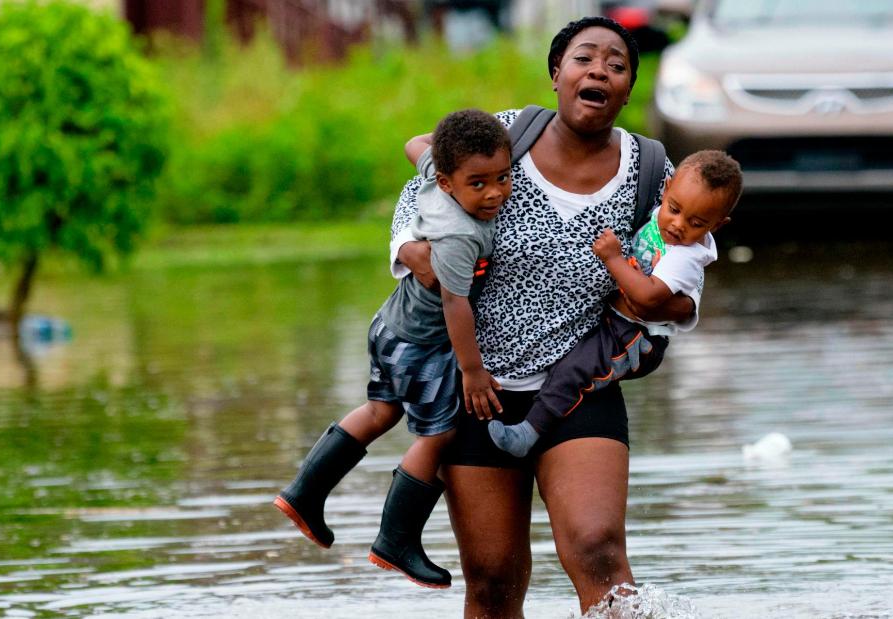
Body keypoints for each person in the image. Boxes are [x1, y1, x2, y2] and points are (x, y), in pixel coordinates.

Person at [391, 16, 695, 615]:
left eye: (616, 64)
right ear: (556, 73)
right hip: (479, 387)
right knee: (493, 578)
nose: (599, 70)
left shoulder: (654, 170)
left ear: (629, 87)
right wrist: (412, 251)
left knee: (598, 549)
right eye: (584, 58)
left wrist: (673, 306)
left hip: (582, 385)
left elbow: (686, 260)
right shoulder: (505, 134)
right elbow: (420, 193)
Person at [273, 109, 511, 589]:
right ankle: (396, 540)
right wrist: (472, 371)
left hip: (389, 328)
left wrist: (442, 151)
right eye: (478, 183)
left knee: (381, 410)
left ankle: (304, 493)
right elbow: (454, 303)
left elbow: (413, 143)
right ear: (447, 184)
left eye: (503, 178)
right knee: (438, 435)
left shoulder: (435, 173)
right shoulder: (460, 234)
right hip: (423, 344)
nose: (494, 193)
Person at [488, 150, 743, 457]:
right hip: (615, 322)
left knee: (575, 370)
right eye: (674, 209)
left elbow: (647, 298)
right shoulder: (657, 217)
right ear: (666, 189)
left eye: (697, 223)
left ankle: (527, 434)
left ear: (717, 225)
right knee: (568, 361)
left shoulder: (686, 256)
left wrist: (613, 259)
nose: (678, 225)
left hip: (634, 337)